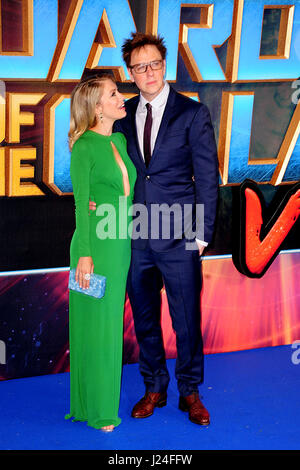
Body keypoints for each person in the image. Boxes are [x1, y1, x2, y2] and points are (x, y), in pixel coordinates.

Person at [91, 33, 219, 425]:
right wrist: (99, 200)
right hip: (133, 237)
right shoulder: (122, 114)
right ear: (131, 72)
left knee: (186, 320)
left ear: (166, 66)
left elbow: (208, 178)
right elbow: (109, 166)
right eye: (139, 66)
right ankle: (154, 386)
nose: (148, 72)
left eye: (155, 64)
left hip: (180, 236)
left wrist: (201, 236)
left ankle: (190, 391)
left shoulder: (192, 113)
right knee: (144, 318)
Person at [65, 75, 137, 432]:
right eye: (113, 94)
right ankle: (100, 412)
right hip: (94, 247)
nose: (121, 97)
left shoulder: (120, 140)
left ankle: (90, 401)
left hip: (120, 243)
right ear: (97, 108)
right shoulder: (84, 147)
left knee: (110, 327)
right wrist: (85, 255)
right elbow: (81, 206)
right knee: (100, 329)